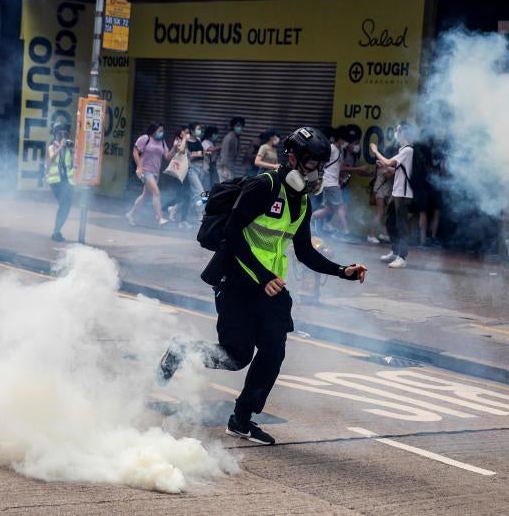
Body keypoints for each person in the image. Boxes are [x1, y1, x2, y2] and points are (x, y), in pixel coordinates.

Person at [156, 126, 368, 445]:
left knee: (274, 351)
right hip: (238, 282)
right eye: (312, 164)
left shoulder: (302, 204)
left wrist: (342, 271)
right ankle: (182, 349)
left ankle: (242, 418)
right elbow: (233, 233)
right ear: (293, 158)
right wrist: (263, 275)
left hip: (272, 290)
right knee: (237, 356)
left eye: (321, 166)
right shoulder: (263, 186)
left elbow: (305, 251)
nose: (317, 172)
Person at [370, 122, 415, 269]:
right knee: (390, 222)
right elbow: (396, 167)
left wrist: (376, 151)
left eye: (397, 130)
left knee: (401, 225)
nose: (396, 132)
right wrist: (386, 166)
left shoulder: (408, 150)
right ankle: (395, 251)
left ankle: (402, 257)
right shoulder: (403, 150)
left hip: (403, 193)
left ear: (402, 132)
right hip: (397, 192)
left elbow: (389, 161)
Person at [311, 126, 368, 238]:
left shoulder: (339, 150)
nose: (346, 142)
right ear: (340, 139)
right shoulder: (332, 148)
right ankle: (345, 232)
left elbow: (337, 167)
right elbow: (324, 162)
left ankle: (309, 220)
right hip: (330, 183)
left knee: (329, 209)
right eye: (345, 140)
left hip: (332, 183)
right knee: (340, 207)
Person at [126, 122, 172, 227]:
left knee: (145, 196)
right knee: (156, 192)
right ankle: (160, 217)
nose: (161, 133)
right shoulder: (145, 138)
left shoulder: (162, 142)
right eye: (160, 130)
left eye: (162, 131)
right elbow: (135, 151)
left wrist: (174, 148)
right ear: (154, 130)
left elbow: (168, 156)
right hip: (145, 171)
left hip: (156, 173)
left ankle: (130, 214)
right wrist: (139, 167)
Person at [44, 121, 75, 242]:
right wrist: (60, 147)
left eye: (65, 134)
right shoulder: (52, 147)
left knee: (67, 206)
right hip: (56, 181)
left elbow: (72, 164)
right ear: (55, 136)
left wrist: (72, 151)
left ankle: (57, 231)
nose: (63, 137)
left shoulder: (68, 148)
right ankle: (56, 232)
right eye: (60, 134)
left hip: (67, 181)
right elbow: (51, 158)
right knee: (64, 204)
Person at [218, 116, 244, 182]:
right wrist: (225, 169)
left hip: (231, 167)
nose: (240, 128)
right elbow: (224, 153)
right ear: (233, 126)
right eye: (238, 126)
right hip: (225, 167)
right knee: (225, 187)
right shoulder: (229, 137)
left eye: (241, 126)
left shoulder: (236, 137)